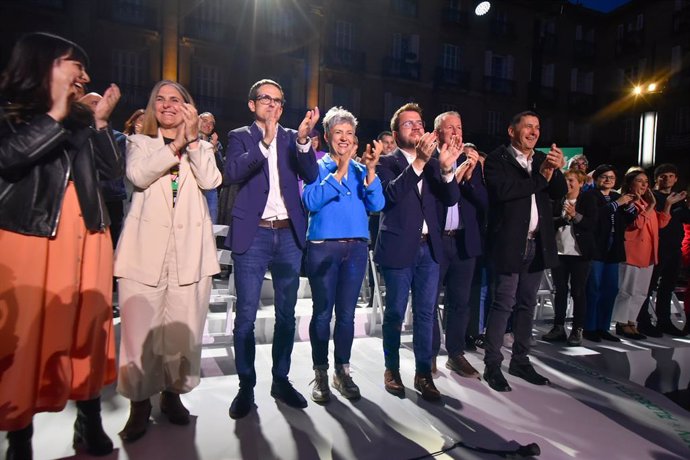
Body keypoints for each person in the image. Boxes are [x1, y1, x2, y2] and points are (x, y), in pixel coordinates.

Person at [0, 32, 122, 458]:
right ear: (47, 63)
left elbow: (113, 171)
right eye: (77, 64)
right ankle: (19, 435)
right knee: (24, 337)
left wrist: (101, 121)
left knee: (86, 331)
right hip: (30, 236)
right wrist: (55, 113)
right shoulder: (10, 111)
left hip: (88, 234)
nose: (84, 76)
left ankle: (88, 420)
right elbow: (10, 158)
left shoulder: (80, 120)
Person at [114, 80, 222, 441]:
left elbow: (211, 181)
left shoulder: (200, 147)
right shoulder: (138, 143)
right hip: (144, 253)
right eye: (159, 99)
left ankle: (172, 396)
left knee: (181, 329)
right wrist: (175, 144)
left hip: (189, 253)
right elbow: (138, 176)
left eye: (175, 99)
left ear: (188, 107)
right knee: (139, 334)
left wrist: (192, 143)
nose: (167, 105)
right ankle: (139, 405)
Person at [224, 79, 319, 419]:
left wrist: (305, 141)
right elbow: (232, 172)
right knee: (245, 317)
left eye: (278, 100)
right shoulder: (239, 136)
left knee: (286, 315)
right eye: (266, 99)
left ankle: (280, 379)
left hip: (288, 236)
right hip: (254, 235)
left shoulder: (294, 138)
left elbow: (310, 175)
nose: (273, 105)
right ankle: (246, 386)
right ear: (252, 104)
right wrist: (263, 143)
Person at [375, 103, 460, 401]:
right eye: (408, 123)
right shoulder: (386, 162)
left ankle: (424, 373)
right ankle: (392, 369)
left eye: (419, 122)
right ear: (397, 132)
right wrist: (420, 163)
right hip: (399, 248)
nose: (415, 127)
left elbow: (451, 199)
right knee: (395, 314)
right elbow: (390, 197)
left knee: (426, 314)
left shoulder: (437, 162)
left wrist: (448, 170)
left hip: (430, 250)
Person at [302, 107, 384, 403]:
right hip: (324, 246)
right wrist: (340, 170)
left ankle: (342, 371)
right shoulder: (315, 165)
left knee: (347, 315)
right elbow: (310, 199)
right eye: (338, 133)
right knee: (323, 313)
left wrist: (371, 170)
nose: (344, 139)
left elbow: (377, 204)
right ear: (326, 137)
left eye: (349, 134)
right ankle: (321, 372)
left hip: (357, 248)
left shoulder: (363, 170)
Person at [482, 111, 566, 392]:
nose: (533, 132)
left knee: (527, 305)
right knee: (503, 303)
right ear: (511, 130)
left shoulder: (541, 160)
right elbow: (505, 191)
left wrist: (557, 170)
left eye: (537, 127)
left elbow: (558, 191)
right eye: (528, 126)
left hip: (536, 243)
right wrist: (541, 177)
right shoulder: (497, 159)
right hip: (509, 244)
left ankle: (520, 360)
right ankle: (492, 364)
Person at [429, 112, 487, 379]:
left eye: (460, 127)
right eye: (450, 127)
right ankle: (427, 356)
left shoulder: (471, 160)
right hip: (436, 241)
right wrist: (449, 176)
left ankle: (455, 354)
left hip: (464, 241)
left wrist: (470, 179)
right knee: (428, 301)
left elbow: (484, 203)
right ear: (438, 131)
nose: (456, 132)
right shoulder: (429, 159)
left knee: (460, 302)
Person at [611, 170, 683, 339]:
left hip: (649, 253)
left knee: (641, 292)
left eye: (645, 181)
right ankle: (622, 324)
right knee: (627, 291)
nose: (644, 185)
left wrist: (667, 205)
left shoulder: (645, 201)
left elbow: (661, 223)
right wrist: (650, 206)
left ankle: (632, 321)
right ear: (630, 184)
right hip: (632, 253)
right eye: (639, 181)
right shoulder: (626, 201)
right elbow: (636, 224)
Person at [542, 169, 597, 346]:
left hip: (580, 254)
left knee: (578, 291)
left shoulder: (588, 199)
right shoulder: (558, 200)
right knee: (560, 291)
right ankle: (558, 327)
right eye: (566, 180)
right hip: (559, 252)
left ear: (581, 183)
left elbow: (592, 224)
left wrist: (576, 216)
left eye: (572, 180)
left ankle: (577, 329)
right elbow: (549, 222)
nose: (568, 183)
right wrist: (564, 219)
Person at [581, 165, 636, 342]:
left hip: (614, 247)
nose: (608, 180)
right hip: (596, 247)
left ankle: (603, 327)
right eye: (604, 177)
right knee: (594, 288)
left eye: (611, 177)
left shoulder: (616, 196)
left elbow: (628, 220)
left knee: (610, 289)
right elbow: (595, 216)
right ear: (596, 179)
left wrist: (629, 208)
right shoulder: (590, 196)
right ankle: (589, 327)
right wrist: (617, 204)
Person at [637, 164, 690, 337]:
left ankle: (664, 321)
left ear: (676, 178)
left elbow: (683, 217)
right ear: (656, 178)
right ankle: (643, 321)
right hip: (655, 246)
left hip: (675, 247)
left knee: (667, 287)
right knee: (648, 286)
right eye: (663, 176)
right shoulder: (650, 196)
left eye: (671, 175)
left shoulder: (679, 198)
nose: (667, 179)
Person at [198, 111, 223, 224]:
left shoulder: (216, 144)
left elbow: (220, 168)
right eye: (205, 121)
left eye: (211, 123)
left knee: (211, 226)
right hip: (194, 186)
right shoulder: (188, 139)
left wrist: (214, 148)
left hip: (211, 190)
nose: (208, 125)